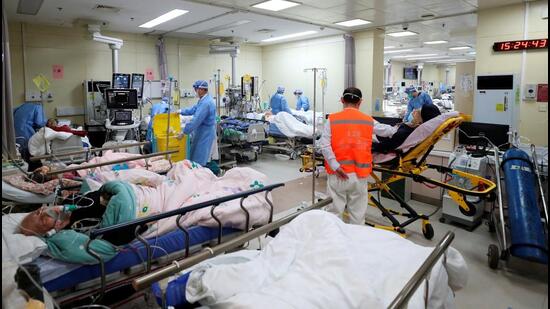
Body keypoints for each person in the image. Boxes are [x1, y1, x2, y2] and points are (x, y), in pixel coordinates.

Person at [319, 87, 374, 225]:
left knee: (334, 215)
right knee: (358, 216)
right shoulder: (368, 121)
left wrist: (336, 166)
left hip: (338, 174)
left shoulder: (332, 119)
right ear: (360, 102)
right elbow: (387, 132)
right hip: (359, 176)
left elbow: (324, 146)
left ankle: (336, 244)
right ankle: (356, 243)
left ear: (342, 100)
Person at [373, 103, 441, 153]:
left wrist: (371, 146)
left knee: (369, 123)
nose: (415, 110)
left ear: (420, 121)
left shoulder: (405, 133)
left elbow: (387, 145)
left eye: (418, 111)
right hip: (386, 131)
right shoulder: (412, 129)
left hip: (382, 136)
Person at [180, 80, 217, 166]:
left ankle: (199, 176)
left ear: (202, 90)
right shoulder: (203, 100)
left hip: (205, 133)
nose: (196, 91)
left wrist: (184, 132)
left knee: (199, 158)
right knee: (195, 156)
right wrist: (181, 111)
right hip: (201, 131)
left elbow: (196, 120)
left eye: (196, 89)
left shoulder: (206, 103)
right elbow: (194, 109)